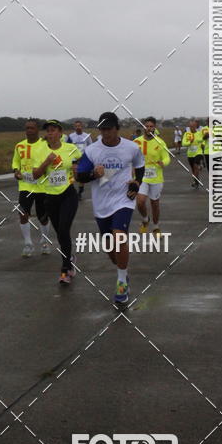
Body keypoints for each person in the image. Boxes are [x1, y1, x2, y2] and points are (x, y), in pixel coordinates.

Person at [75, 112, 145, 306]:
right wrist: (93, 174)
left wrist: (137, 183)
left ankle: (121, 282)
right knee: (110, 250)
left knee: (119, 236)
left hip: (123, 200)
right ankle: (123, 271)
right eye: (102, 129)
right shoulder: (92, 151)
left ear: (117, 128)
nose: (105, 133)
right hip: (101, 204)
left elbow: (140, 166)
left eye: (109, 129)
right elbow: (80, 177)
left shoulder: (131, 147)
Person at [32, 120, 81, 285]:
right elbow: (35, 175)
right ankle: (70, 258)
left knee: (64, 228)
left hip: (68, 194)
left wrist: (77, 169)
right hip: (50, 197)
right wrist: (46, 162)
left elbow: (82, 162)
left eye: (53, 130)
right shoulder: (40, 150)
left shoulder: (70, 148)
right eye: (48, 131)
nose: (50, 133)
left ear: (60, 133)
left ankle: (65, 270)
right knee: (61, 234)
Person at [11, 119, 50, 257]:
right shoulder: (19, 145)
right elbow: (16, 161)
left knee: (43, 217)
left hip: (42, 186)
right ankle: (28, 244)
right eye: (27, 128)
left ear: (37, 129)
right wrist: (16, 171)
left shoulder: (45, 144)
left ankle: (45, 242)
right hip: (25, 186)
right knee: (23, 214)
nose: (29, 131)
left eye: (32, 128)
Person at [134, 117, 170, 237]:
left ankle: (156, 227)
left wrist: (163, 163)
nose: (148, 128)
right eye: (146, 126)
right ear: (143, 127)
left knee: (155, 203)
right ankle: (145, 219)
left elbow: (166, 157)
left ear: (154, 128)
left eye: (151, 126)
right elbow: (130, 157)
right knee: (140, 201)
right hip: (141, 177)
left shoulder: (160, 142)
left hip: (156, 177)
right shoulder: (136, 141)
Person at [66, 120, 92, 200]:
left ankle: (80, 192)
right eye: (76, 126)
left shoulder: (87, 136)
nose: (78, 127)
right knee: (73, 176)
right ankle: (71, 190)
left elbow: (91, 146)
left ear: (82, 126)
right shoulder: (71, 136)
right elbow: (67, 147)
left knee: (81, 176)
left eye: (79, 126)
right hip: (73, 159)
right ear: (74, 127)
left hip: (83, 159)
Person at [182, 119, 204, 188]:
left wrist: (203, 144)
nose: (192, 128)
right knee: (193, 170)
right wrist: (190, 142)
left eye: (193, 126)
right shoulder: (187, 134)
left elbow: (203, 140)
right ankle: (196, 181)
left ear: (195, 126)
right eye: (190, 126)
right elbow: (183, 143)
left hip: (198, 153)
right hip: (190, 154)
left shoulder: (199, 133)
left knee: (195, 166)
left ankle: (195, 181)